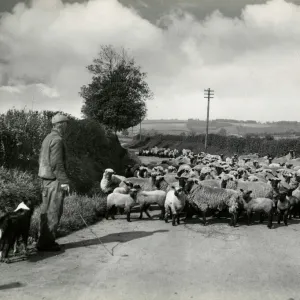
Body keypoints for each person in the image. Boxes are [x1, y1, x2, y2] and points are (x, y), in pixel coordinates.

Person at [36, 113, 70, 251]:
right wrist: (64, 181)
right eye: (66, 124)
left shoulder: (47, 138)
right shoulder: (57, 140)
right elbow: (56, 164)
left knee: (45, 211)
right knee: (53, 211)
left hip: (45, 180)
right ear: (61, 125)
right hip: (54, 180)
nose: (67, 126)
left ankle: (42, 241)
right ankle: (47, 243)